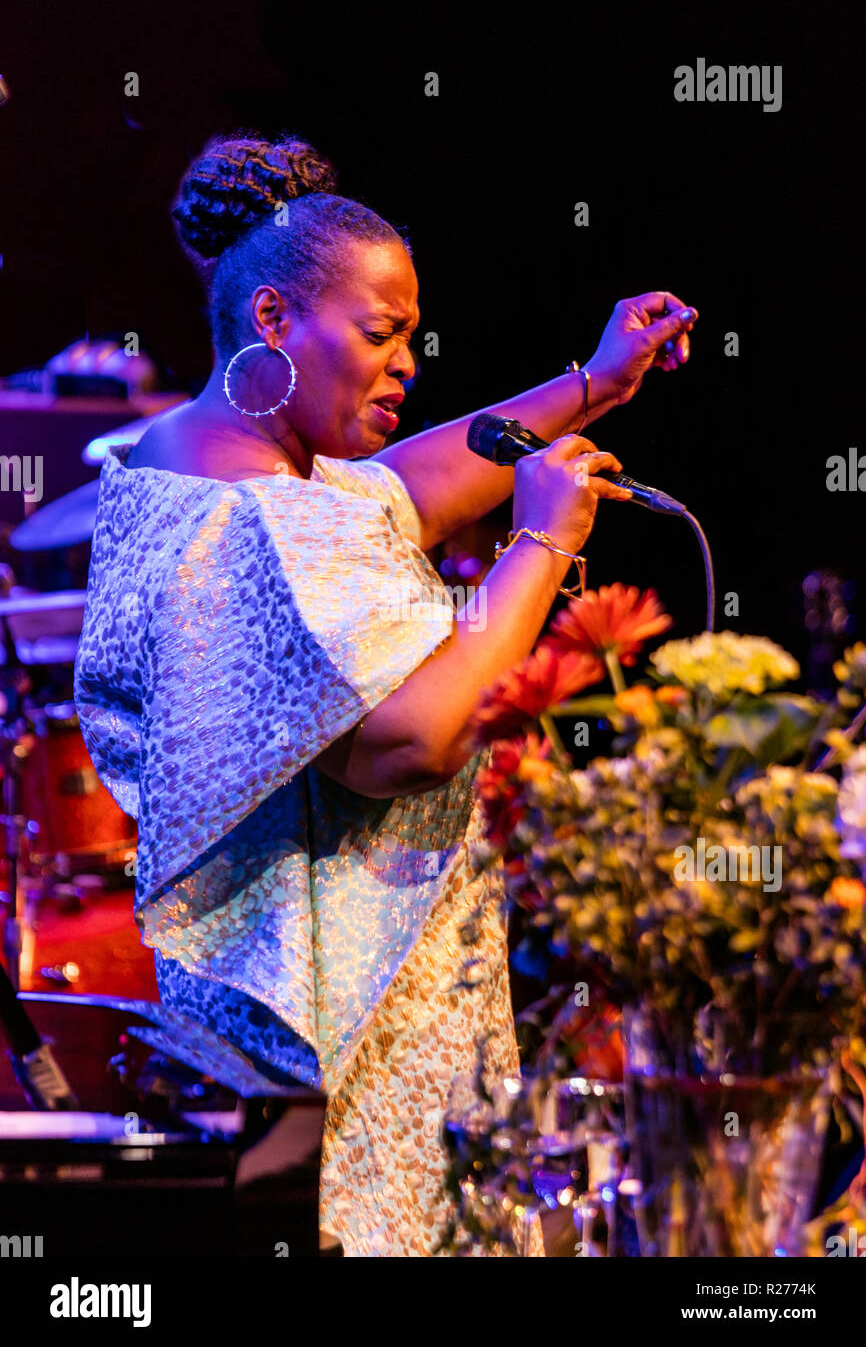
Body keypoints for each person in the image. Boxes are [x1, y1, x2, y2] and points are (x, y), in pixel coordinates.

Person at [73, 132, 697, 1256]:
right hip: (345, 1036)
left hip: (262, 1032)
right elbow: (405, 741)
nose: (408, 363)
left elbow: (392, 487)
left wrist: (595, 384)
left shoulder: (192, 466)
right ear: (272, 322)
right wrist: (540, 548)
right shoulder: (266, 520)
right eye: (379, 334)